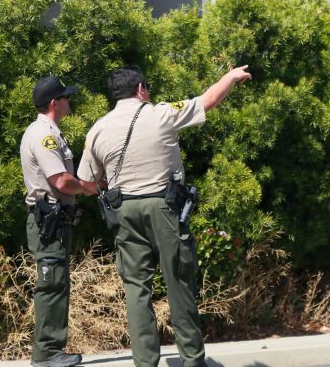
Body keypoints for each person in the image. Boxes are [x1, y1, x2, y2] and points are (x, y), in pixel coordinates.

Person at [77, 63, 251, 367]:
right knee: (179, 282)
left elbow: (87, 182)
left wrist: (110, 186)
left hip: (124, 212)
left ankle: (145, 363)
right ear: (141, 89)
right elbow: (207, 100)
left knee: (136, 289)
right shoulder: (160, 113)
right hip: (163, 208)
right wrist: (231, 76)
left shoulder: (98, 129)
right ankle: (192, 360)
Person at [20, 76, 100, 367]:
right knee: (51, 285)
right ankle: (46, 353)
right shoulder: (45, 135)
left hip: (54, 221)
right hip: (50, 221)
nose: (70, 100)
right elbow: (61, 181)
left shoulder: (48, 131)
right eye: (65, 97)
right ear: (55, 103)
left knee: (56, 284)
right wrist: (88, 187)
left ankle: (51, 350)